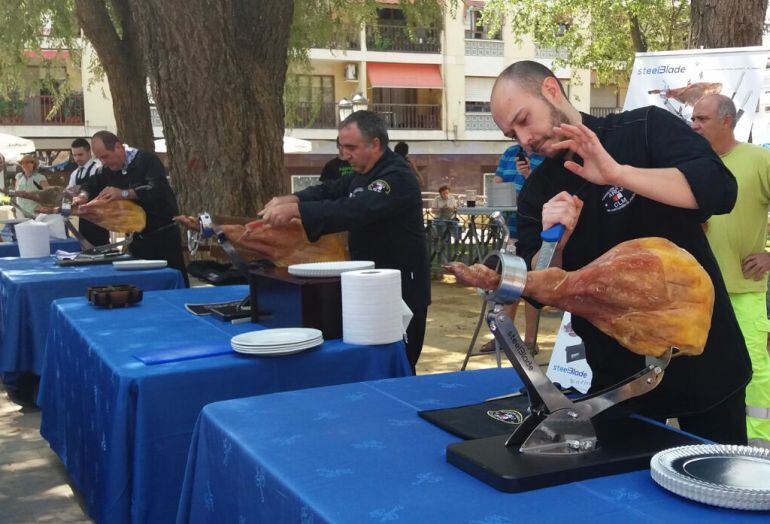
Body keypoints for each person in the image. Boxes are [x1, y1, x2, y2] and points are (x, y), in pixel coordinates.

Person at [491, 60, 751, 444]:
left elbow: (719, 189)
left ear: (550, 90)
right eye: (512, 133)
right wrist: (554, 244)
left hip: (705, 360)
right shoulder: (537, 192)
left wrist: (617, 174)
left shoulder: (644, 128)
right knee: (626, 480)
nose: (524, 139)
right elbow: (539, 288)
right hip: (618, 384)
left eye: (523, 120)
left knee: (718, 475)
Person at [260, 111, 430, 373]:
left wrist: (298, 211)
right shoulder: (363, 172)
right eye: (340, 147)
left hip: (401, 288)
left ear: (375, 144)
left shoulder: (396, 176)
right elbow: (331, 189)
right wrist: (294, 198)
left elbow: (355, 209)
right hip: (366, 284)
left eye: (351, 148)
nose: (344, 155)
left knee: (398, 362)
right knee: (367, 360)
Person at [692, 93, 770, 449]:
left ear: (727, 121)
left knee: (753, 369)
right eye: (693, 118)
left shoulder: (758, 160)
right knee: (701, 369)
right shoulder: (691, 163)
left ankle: (758, 447)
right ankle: (706, 442)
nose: (694, 125)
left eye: (702, 119)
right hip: (696, 292)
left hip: (743, 291)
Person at [72, 131, 189, 286]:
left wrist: (124, 193)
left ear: (118, 147)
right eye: (99, 158)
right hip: (136, 241)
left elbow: (158, 189)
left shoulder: (146, 160)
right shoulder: (106, 170)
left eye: (105, 156)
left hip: (163, 238)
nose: (104, 162)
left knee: (171, 284)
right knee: (141, 286)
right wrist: (82, 196)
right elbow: (91, 185)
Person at [482, 144, 546, 354]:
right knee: (509, 283)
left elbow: (546, 191)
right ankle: (504, 337)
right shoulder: (510, 153)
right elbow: (498, 183)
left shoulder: (547, 154)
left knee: (532, 285)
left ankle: (530, 341)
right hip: (510, 230)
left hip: (536, 230)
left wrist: (528, 175)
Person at [66, 138, 110, 246]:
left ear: (89, 152)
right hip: (82, 217)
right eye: (74, 155)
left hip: (99, 217)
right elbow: (69, 193)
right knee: (85, 247)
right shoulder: (75, 173)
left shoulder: (98, 168)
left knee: (101, 247)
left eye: (80, 155)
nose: (77, 158)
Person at [431, 185, 460, 263]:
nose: (446, 195)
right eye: (444, 193)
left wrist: (452, 208)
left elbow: (455, 208)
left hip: (450, 218)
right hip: (440, 218)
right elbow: (432, 211)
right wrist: (440, 209)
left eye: (447, 193)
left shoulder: (452, 198)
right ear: (440, 193)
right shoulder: (437, 199)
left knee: (456, 229)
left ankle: (456, 248)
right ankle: (443, 243)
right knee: (442, 226)